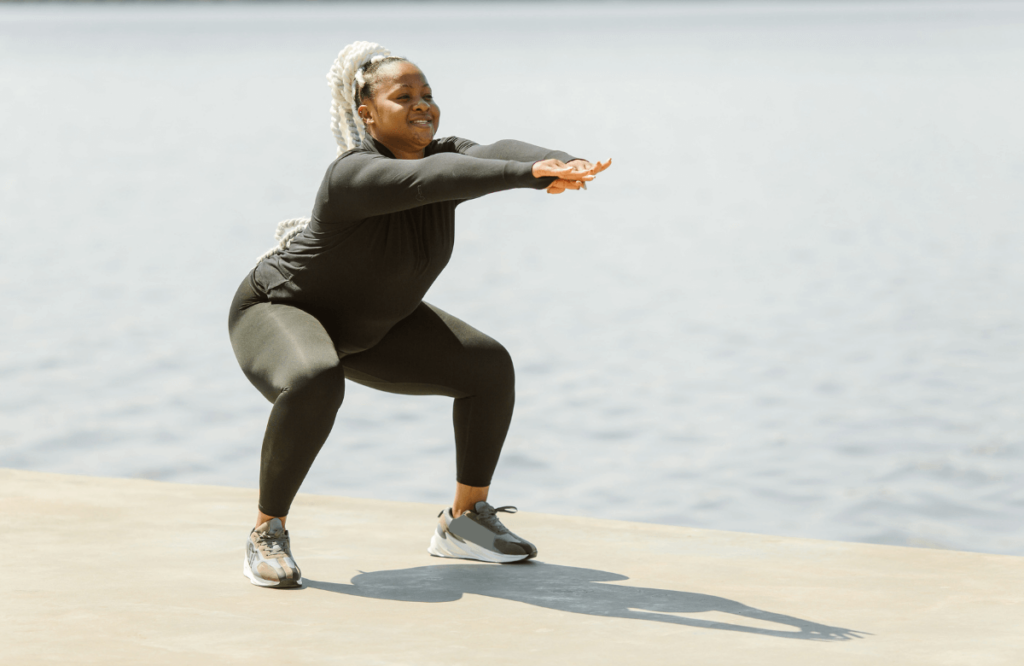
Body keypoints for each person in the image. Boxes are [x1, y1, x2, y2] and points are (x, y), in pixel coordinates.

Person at [228, 41, 611, 588]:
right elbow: (432, 182)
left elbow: (489, 151)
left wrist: (559, 159)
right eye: (402, 96)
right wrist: (527, 174)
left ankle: (464, 522)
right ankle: (267, 532)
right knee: (316, 377)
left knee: (487, 367)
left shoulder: (444, 154)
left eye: (428, 94)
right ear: (366, 112)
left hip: (372, 324)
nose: (422, 105)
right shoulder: (352, 176)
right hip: (281, 309)